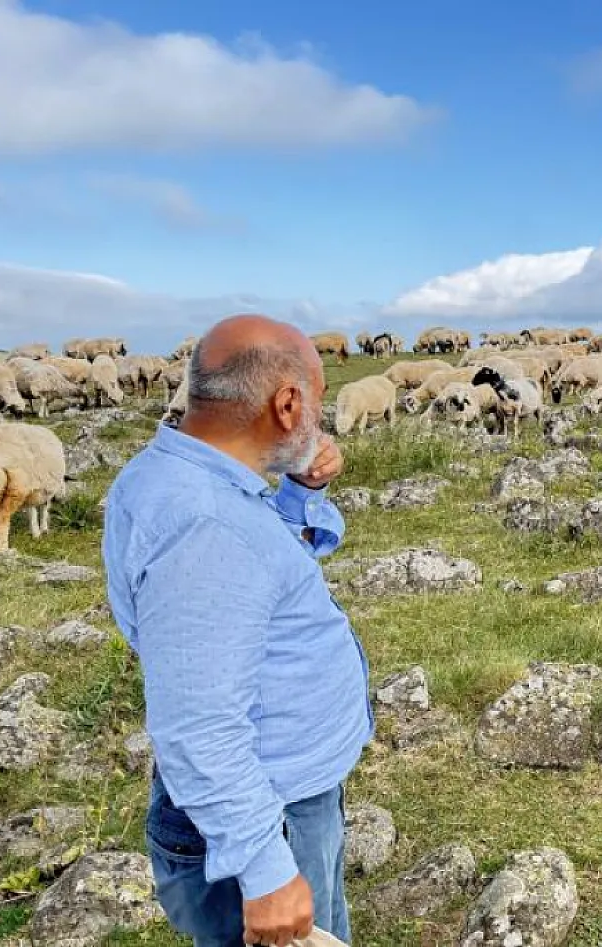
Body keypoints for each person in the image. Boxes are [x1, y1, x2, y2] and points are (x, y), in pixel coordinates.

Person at [104, 315, 372, 946]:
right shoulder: (208, 527)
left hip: (281, 794)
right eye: (317, 399)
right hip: (262, 817)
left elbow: (259, 577)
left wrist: (302, 490)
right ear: (286, 405)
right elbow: (199, 720)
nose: (319, 416)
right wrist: (266, 870)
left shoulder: (183, 479)